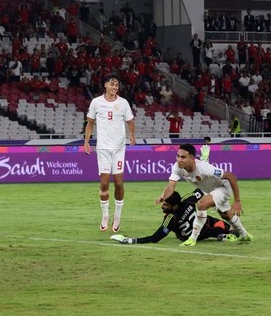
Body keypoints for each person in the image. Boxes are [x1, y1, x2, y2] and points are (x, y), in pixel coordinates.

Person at [155, 143, 252, 247]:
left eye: (183, 157)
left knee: (202, 204)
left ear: (192, 159)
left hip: (223, 187)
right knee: (226, 215)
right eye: (178, 156)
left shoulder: (204, 168)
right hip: (210, 190)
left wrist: (237, 201)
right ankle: (244, 234)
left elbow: (231, 176)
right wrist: (164, 196)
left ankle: (193, 238)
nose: (179, 159)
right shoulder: (177, 167)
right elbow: (171, 187)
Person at [84, 75, 136, 232]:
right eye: (112, 84)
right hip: (103, 148)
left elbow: (130, 121)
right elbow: (90, 123)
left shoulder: (123, 103)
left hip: (119, 148)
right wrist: (86, 142)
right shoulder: (96, 102)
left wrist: (132, 135)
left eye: (117, 85)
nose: (115, 87)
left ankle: (117, 215)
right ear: (105, 85)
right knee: (104, 182)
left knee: (119, 182)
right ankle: (105, 214)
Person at [110, 188, 236, 244]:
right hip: (208, 226)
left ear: (174, 207)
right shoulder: (187, 200)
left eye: (165, 204)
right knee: (232, 230)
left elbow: (155, 238)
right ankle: (222, 235)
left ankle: (221, 236)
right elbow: (202, 188)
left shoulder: (171, 218)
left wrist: (131, 240)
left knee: (182, 233)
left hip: (189, 236)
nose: (162, 206)